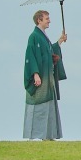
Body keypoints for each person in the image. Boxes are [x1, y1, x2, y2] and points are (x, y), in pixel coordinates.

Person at [23, 10, 67, 140]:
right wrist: (35, 74)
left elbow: (49, 51)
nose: (49, 21)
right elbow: (30, 56)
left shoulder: (43, 36)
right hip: (40, 78)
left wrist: (60, 41)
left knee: (49, 105)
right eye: (47, 18)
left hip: (48, 78)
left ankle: (48, 135)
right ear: (39, 20)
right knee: (39, 105)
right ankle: (37, 135)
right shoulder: (34, 36)